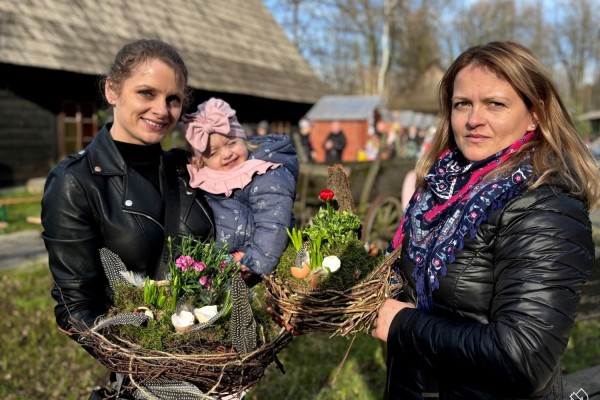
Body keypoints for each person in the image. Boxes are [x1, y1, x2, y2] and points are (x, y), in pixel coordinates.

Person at [371, 41, 600, 399]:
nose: (473, 119)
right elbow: (418, 291)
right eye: (463, 103)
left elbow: (523, 355)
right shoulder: (439, 190)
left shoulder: (546, 207)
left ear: (536, 112)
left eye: (495, 104)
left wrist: (403, 325)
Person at [41, 39, 215, 398]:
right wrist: (150, 363)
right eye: (146, 93)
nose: (161, 109)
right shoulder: (76, 181)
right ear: (112, 90)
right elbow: (75, 307)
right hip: (146, 375)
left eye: (173, 99)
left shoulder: (188, 168)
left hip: (215, 362)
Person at [183, 97, 298, 280]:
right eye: (214, 153)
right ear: (201, 160)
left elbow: (273, 225)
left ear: (243, 139)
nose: (227, 154)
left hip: (253, 268)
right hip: (222, 267)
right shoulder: (206, 177)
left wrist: (253, 263)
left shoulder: (264, 174)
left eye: (231, 143)